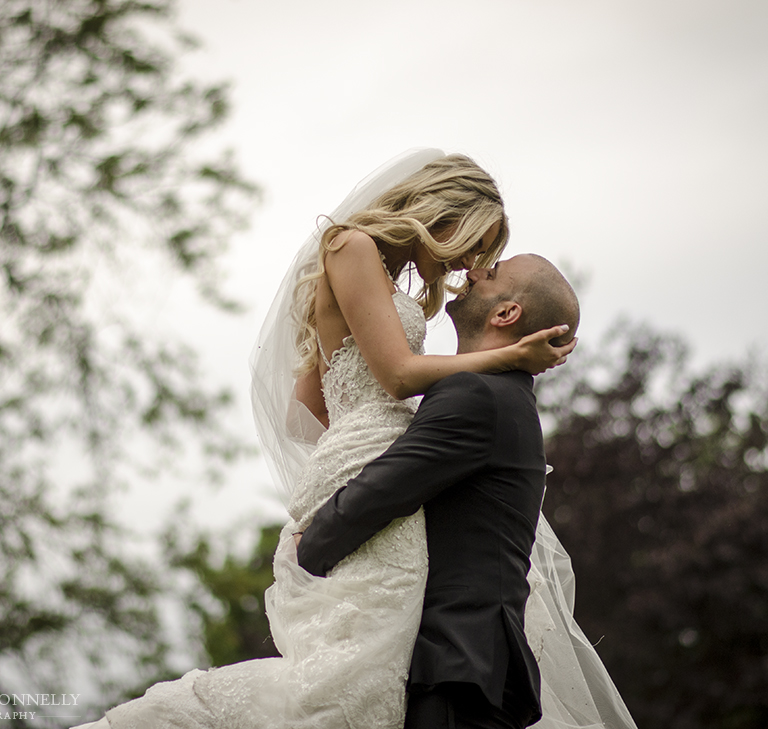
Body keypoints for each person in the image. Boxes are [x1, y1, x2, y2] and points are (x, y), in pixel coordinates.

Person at [70, 150, 574, 729]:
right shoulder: (351, 245)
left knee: (371, 639)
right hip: (370, 450)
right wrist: (511, 356)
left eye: (484, 260)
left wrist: (354, 418)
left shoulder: (371, 277)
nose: (467, 267)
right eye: (473, 245)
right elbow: (399, 376)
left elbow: (307, 406)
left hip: (362, 446)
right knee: (365, 643)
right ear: (444, 213)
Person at [296, 254, 636, 729]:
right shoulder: (497, 395)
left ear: (506, 313)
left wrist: (303, 550)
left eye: (492, 274)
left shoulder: (478, 396)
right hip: (466, 670)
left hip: (458, 674)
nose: (473, 272)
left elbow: (377, 494)